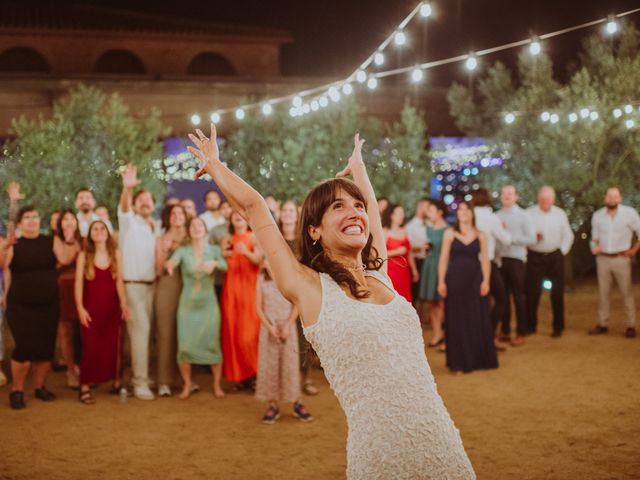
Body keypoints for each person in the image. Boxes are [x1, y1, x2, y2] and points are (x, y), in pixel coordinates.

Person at [187, 125, 475, 479]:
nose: (354, 212)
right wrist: (215, 165)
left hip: (443, 443)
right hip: (382, 456)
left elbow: (371, 207)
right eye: (338, 206)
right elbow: (254, 207)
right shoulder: (306, 287)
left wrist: (359, 170)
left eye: (357, 206)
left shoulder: (380, 274)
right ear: (314, 230)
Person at [0, 183, 78, 410]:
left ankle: (40, 387)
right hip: (20, 306)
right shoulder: (14, 244)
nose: (32, 220)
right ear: (21, 223)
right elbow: (3, 263)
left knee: (44, 349)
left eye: (35, 217)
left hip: (48, 305)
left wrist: (71, 236)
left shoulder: (50, 241)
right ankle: (17, 391)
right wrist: (7, 241)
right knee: (24, 348)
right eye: (28, 217)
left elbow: (65, 258)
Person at [167, 217, 228, 399]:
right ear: (189, 231)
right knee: (184, 345)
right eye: (192, 226)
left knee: (212, 344)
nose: (196, 228)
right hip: (187, 305)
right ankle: (187, 384)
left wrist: (215, 264)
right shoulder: (183, 251)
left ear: (205, 229)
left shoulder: (214, 250)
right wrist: (169, 265)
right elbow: (172, 261)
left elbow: (226, 266)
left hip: (208, 305)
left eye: (199, 225)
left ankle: (217, 385)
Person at [438, 201, 497, 374]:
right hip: (454, 280)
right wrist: (441, 281)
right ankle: (458, 362)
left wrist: (486, 280)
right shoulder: (449, 233)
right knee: (457, 319)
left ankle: (477, 359)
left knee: (476, 316)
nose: (464, 213)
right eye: (461, 210)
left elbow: (485, 259)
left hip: (475, 280)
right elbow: (443, 259)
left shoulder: (481, 234)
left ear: (472, 213)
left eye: (467, 210)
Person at [75, 221, 130, 404]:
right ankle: (85, 386)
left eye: (102, 229)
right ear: (90, 234)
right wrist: (80, 308)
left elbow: (119, 281)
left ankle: (116, 382)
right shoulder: (84, 255)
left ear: (108, 233)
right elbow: (78, 285)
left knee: (113, 346)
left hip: (111, 308)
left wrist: (124, 303)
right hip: (90, 308)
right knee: (90, 347)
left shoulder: (116, 254)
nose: (99, 232)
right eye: (95, 229)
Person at [255, 260, 313, 424]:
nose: (269, 261)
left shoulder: (288, 279)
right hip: (269, 328)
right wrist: (269, 327)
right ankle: (272, 405)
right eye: (265, 258)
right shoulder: (261, 279)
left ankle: (297, 402)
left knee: (290, 365)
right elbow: (258, 308)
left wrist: (288, 325)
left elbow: (296, 304)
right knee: (269, 366)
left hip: (287, 327)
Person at [118, 164, 157, 400]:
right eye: (140, 199)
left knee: (146, 334)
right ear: (134, 205)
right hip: (132, 286)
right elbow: (123, 208)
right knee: (140, 334)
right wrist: (127, 189)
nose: (144, 202)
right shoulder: (128, 222)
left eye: (148, 200)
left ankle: (142, 375)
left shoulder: (155, 227)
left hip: (151, 286)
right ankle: (140, 383)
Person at [278, 200, 318, 396]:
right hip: (278, 295)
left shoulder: (304, 241)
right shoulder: (276, 240)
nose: (287, 213)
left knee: (303, 338)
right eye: (284, 210)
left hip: (301, 295)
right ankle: (286, 381)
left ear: (297, 215)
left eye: (290, 210)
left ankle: (306, 379)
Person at [588, 187, 640, 338]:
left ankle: (631, 325)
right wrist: (594, 247)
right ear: (605, 199)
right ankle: (602, 324)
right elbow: (594, 238)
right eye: (609, 196)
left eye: (615, 196)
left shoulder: (629, 214)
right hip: (603, 259)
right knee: (603, 293)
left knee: (626, 293)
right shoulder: (598, 216)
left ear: (620, 199)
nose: (612, 199)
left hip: (621, 259)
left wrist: (633, 251)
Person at [526, 186, 574, 338]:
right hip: (535, 257)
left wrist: (562, 251)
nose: (545, 201)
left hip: (555, 256)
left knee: (557, 293)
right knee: (532, 293)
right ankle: (530, 326)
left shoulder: (560, 214)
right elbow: (523, 235)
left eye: (547, 199)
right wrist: (533, 238)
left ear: (552, 200)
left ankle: (558, 327)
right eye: (542, 199)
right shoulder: (529, 214)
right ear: (538, 199)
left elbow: (568, 235)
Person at [221, 211, 262, 388]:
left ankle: (256, 374)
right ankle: (240, 377)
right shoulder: (227, 239)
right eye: (234, 215)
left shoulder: (254, 237)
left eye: (241, 214)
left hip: (249, 289)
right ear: (230, 219)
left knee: (250, 333)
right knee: (233, 333)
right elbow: (222, 262)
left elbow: (259, 261)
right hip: (231, 290)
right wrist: (222, 255)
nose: (238, 217)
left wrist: (245, 252)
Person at [472, 188, 511, 351]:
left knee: (478, 303)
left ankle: (478, 337)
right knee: (501, 299)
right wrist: (503, 227)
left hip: (470, 265)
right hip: (487, 263)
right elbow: (507, 240)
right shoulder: (492, 218)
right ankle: (489, 334)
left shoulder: (469, 216)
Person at [496, 185, 536, 346]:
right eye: (504, 193)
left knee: (518, 297)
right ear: (500, 196)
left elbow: (531, 238)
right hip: (500, 260)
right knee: (502, 297)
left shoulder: (524, 216)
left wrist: (509, 237)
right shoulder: (496, 216)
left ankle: (520, 331)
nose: (507, 196)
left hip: (517, 260)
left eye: (510, 193)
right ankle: (505, 330)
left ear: (516, 197)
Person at [154, 204, 187, 397]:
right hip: (167, 288)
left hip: (189, 288)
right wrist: (165, 250)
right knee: (166, 335)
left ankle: (184, 380)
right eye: (173, 214)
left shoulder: (192, 235)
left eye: (180, 213)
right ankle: (164, 381)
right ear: (169, 218)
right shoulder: (162, 239)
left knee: (184, 335)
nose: (176, 216)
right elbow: (158, 269)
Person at [55, 210, 83, 388]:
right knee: (67, 334)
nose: (69, 221)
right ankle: (71, 371)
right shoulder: (57, 240)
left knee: (83, 333)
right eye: (65, 219)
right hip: (63, 290)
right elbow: (64, 259)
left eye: (72, 218)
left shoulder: (85, 239)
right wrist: (70, 241)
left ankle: (84, 368)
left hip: (82, 289)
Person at [418, 199, 448, 347]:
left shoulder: (448, 230)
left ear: (440, 212)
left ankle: (446, 334)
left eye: (431, 210)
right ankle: (437, 334)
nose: (428, 213)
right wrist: (424, 248)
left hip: (442, 266)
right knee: (432, 302)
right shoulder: (427, 229)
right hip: (429, 265)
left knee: (443, 303)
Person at [382, 204, 418, 303]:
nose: (402, 216)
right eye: (399, 213)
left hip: (405, 272)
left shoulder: (405, 230)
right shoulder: (385, 231)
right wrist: (396, 252)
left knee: (406, 300)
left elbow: (409, 253)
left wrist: (414, 270)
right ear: (392, 215)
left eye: (402, 213)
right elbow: (379, 254)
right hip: (391, 272)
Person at [406, 198, 430, 308]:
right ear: (419, 208)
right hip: (417, 262)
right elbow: (408, 248)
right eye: (427, 207)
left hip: (430, 261)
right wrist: (421, 248)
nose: (429, 210)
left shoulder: (430, 224)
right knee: (416, 293)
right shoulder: (410, 226)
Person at [208, 200, 233, 300]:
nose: (226, 210)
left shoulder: (242, 227)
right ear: (219, 211)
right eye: (223, 208)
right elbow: (210, 250)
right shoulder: (215, 230)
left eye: (229, 207)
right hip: (220, 276)